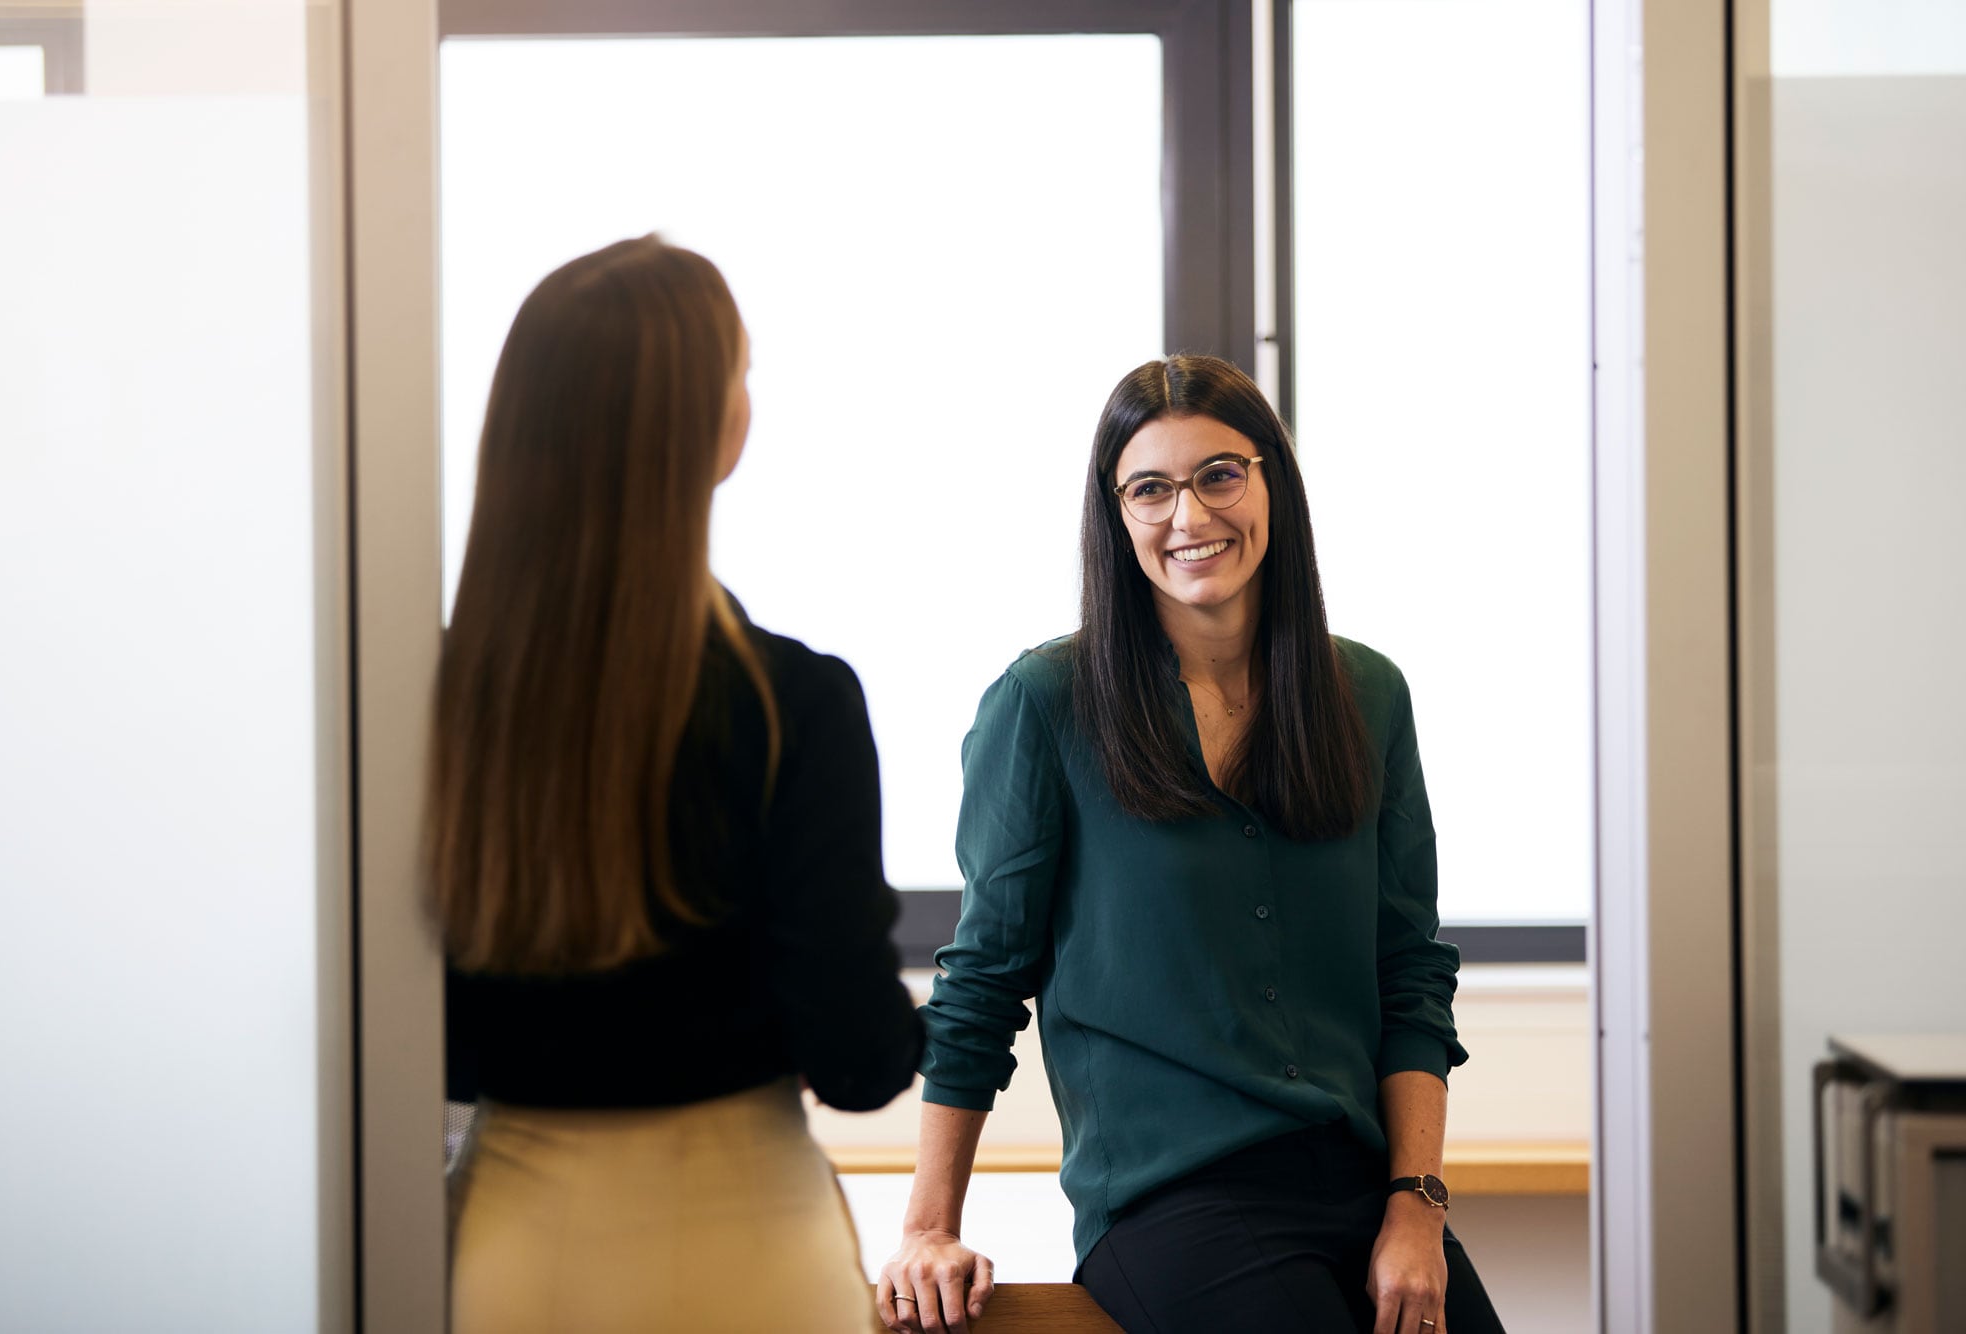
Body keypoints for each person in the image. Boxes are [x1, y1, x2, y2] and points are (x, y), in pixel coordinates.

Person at [879, 356, 1505, 1334]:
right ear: (1116, 513)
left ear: (1270, 483)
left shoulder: (1368, 695)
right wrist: (927, 1228)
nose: (1189, 514)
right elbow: (984, 980)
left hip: (1364, 1183)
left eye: (1219, 475)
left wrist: (1416, 1203)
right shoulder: (1045, 703)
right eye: (1150, 489)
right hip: (1170, 1200)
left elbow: (1408, 969)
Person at [431, 235, 922, 1333]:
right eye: (741, 370)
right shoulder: (794, 699)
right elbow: (856, 1061)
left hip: (513, 1257)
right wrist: (930, 1026)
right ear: (715, 428)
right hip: (746, 1249)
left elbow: (422, 1028)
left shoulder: (433, 700)